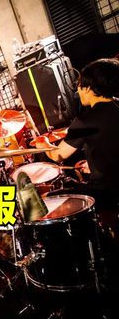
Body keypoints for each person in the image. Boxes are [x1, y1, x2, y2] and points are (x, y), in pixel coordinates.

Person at [35, 58, 119, 265]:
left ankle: (73, 263)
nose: (78, 91)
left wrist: (43, 144)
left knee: (48, 198)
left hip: (106, 192)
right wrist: (94, 164)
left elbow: (58, 155)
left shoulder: (85, 120)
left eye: (80, 86)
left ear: (89, 88)